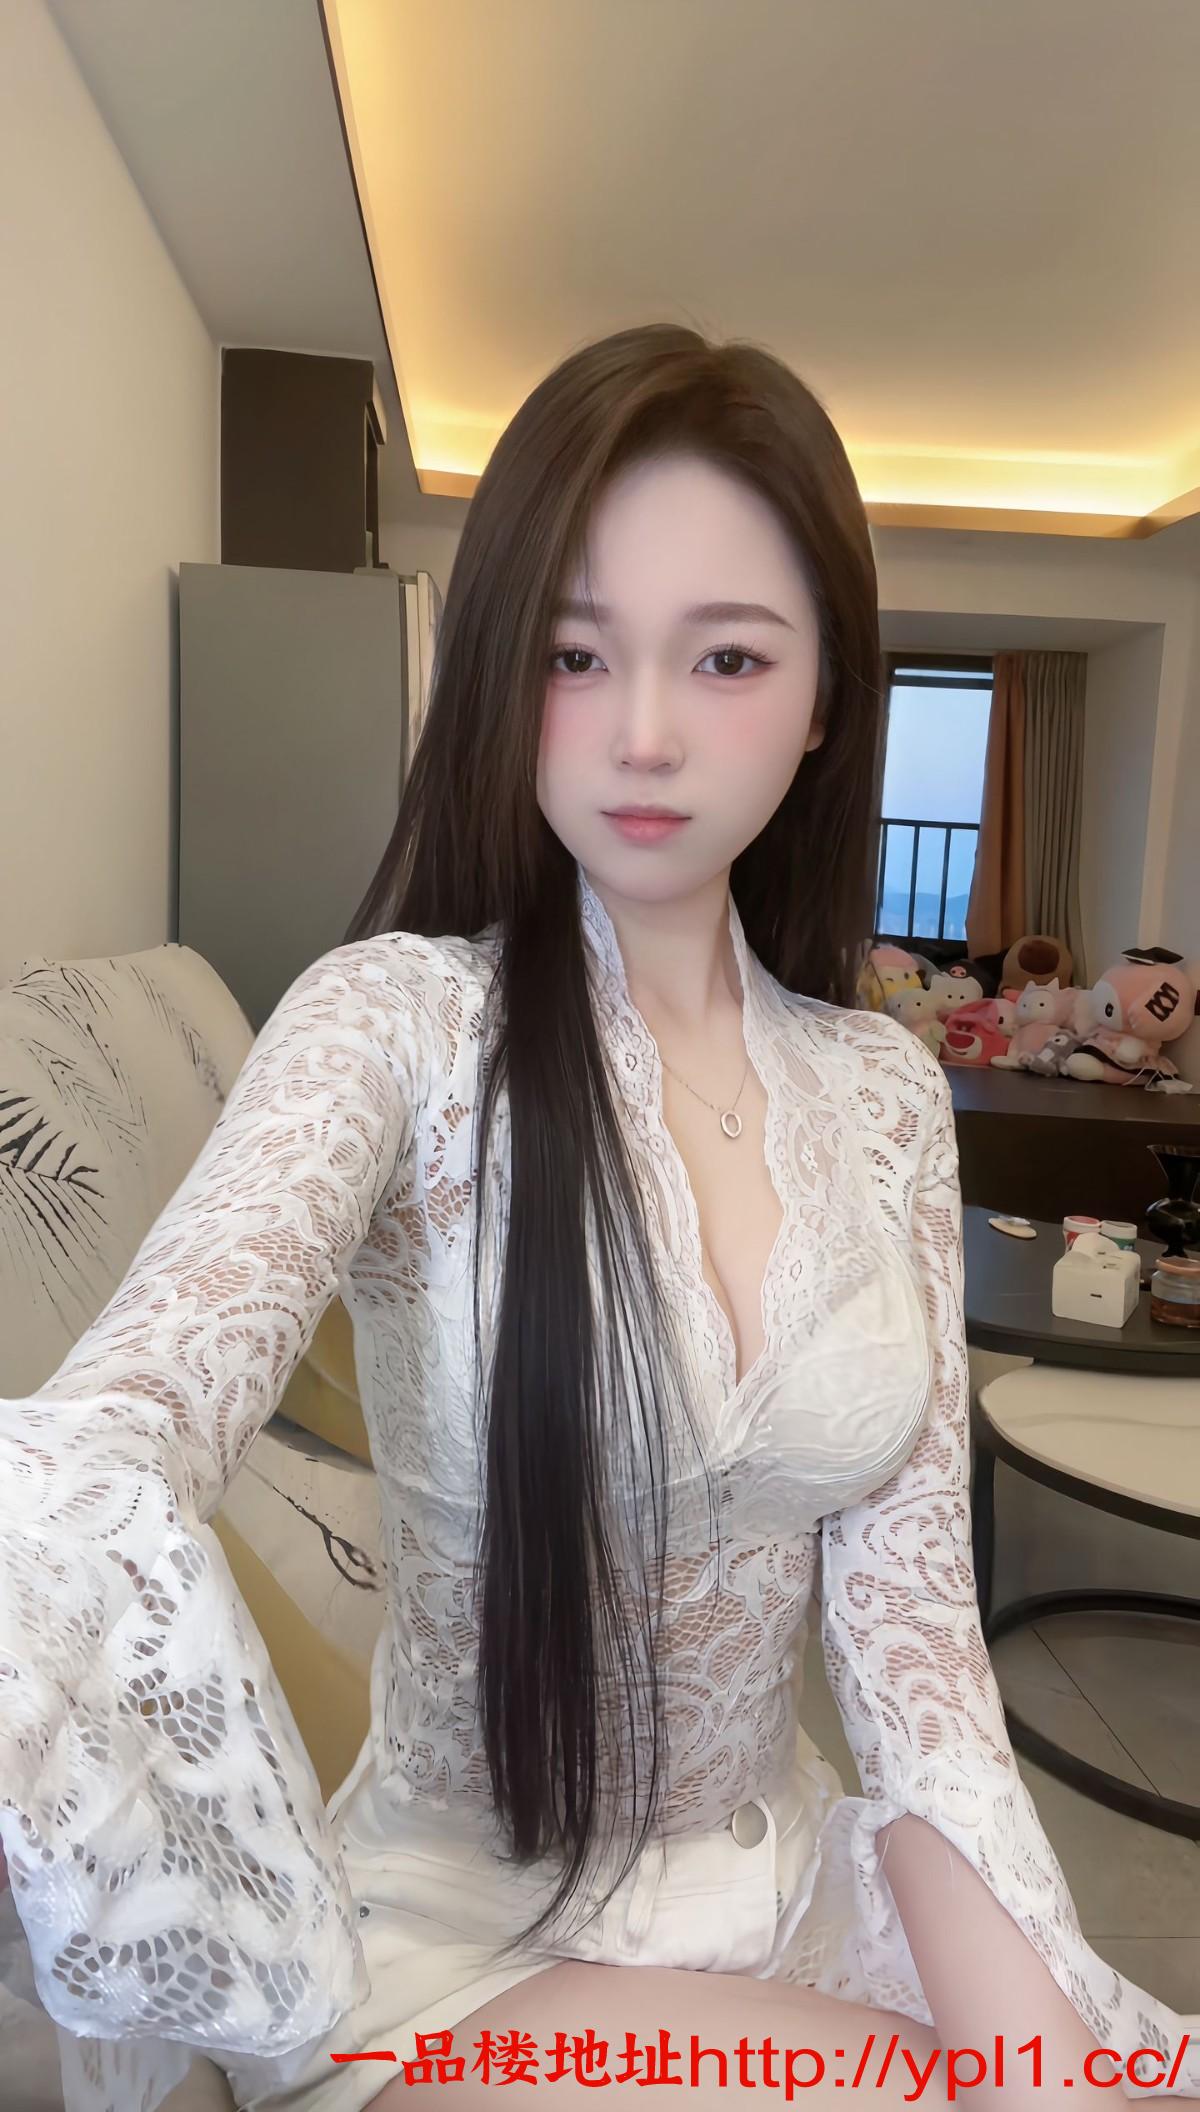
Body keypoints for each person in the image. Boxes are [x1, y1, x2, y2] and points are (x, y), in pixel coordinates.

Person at [1, 326, 1195, 2112]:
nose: (642, 733)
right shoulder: (395, 1026)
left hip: (795, 1899)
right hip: (463, 1954)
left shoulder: (883, 1096)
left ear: (824, 698)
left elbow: (921, 1673)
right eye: (575, 654)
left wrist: (1041, 2059)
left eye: (728, 657)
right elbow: (121, 1426)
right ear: (504, 673)